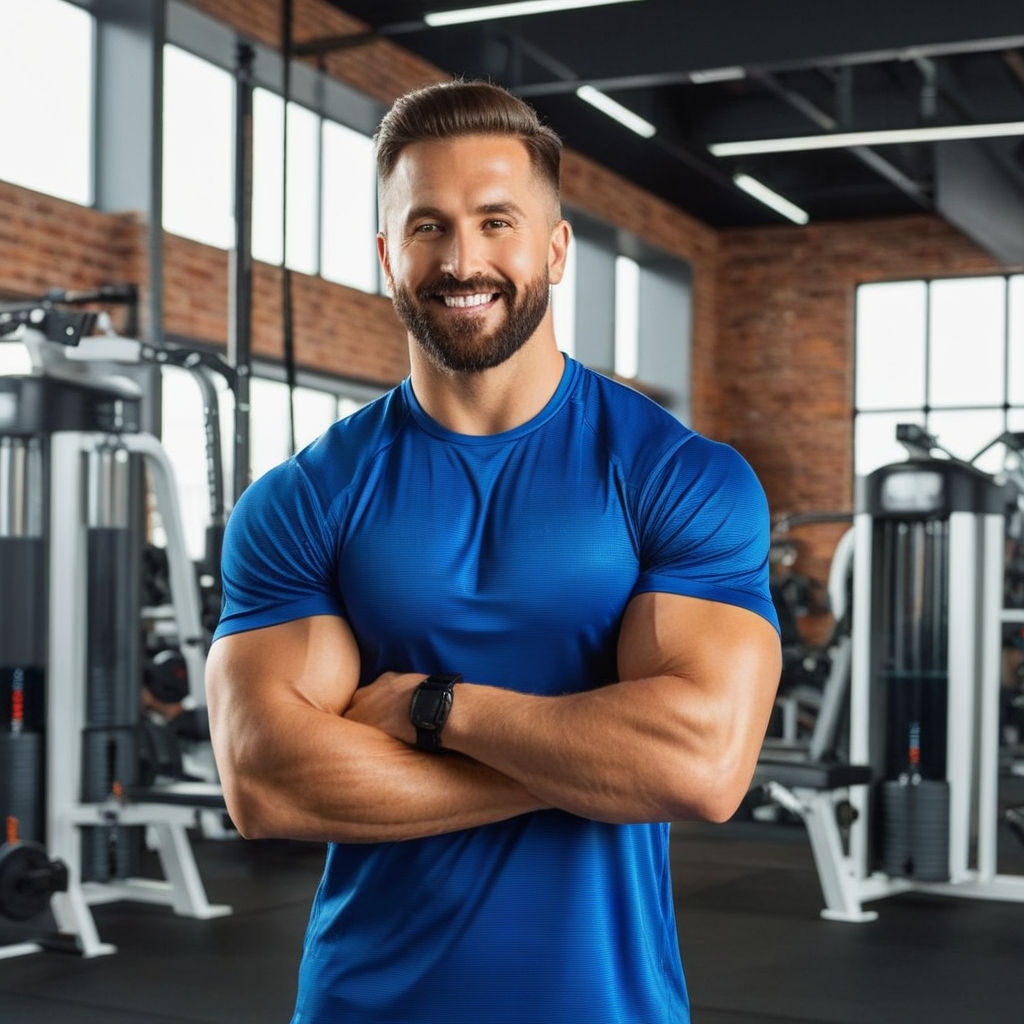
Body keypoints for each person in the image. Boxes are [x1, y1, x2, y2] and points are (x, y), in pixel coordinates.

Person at [206, 79, 782, 1024]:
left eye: (497, 220)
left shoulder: (676, 476)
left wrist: (434, 707)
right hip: (364, 1004)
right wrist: (587, 768)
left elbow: (699, 769)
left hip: (601, 1004)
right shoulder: (305, 498)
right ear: (388, 254)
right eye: (427, 226)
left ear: (555, 248)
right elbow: (269, 782)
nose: (462, 258)